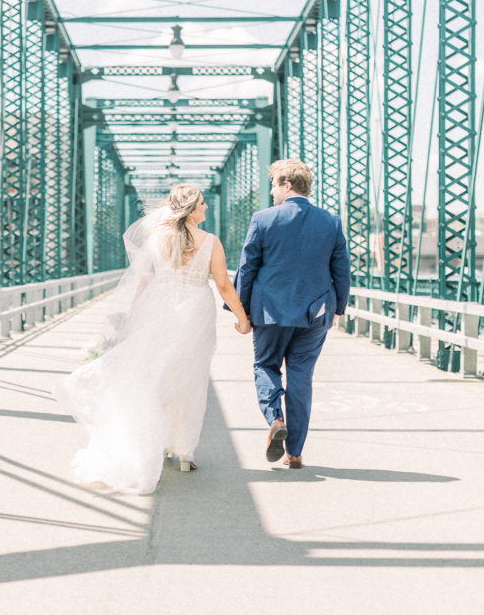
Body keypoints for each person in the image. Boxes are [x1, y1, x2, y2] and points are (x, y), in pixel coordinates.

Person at [54, 184, 251, 494]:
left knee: (154, 374)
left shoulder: (156, 238)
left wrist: (133, 320)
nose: (207, 207)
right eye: (202, 203)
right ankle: (184, 451)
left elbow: (143, 283)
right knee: (189, 377)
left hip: (159, 307)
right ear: (190, 209)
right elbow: (224, 285)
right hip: (195, 312)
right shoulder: (210, 242)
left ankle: (153, 441)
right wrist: (242, 317)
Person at [232, 159, 350, 469]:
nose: (271, 192)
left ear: (286, 185)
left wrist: (241, 311)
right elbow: (341, 270)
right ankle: (295, 452)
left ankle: (275, 419)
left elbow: (247, 269)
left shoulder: (263, 219)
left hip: (270, 312)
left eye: (273, 185)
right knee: (301, 378)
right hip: (315, 314)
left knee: (266, 365)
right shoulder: (330, 221)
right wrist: (337, 308)